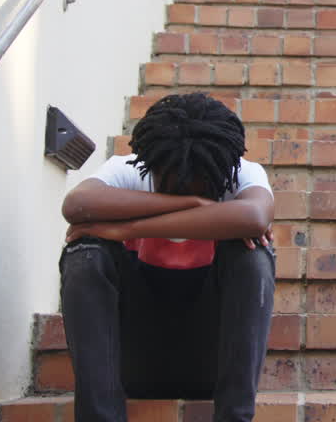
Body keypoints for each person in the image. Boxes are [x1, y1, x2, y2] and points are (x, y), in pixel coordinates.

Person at [58, 92, 275, 422]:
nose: (186, 189)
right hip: (133, 360)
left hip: (210, 363)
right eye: (172, 185)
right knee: (85, 255)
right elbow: (76, 206)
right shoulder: (127, 170)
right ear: (149, 164)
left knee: (253, 255)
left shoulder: (242, 174)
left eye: (198, 188)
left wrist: (122, 229)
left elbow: (255, 218)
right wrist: (196, 204)